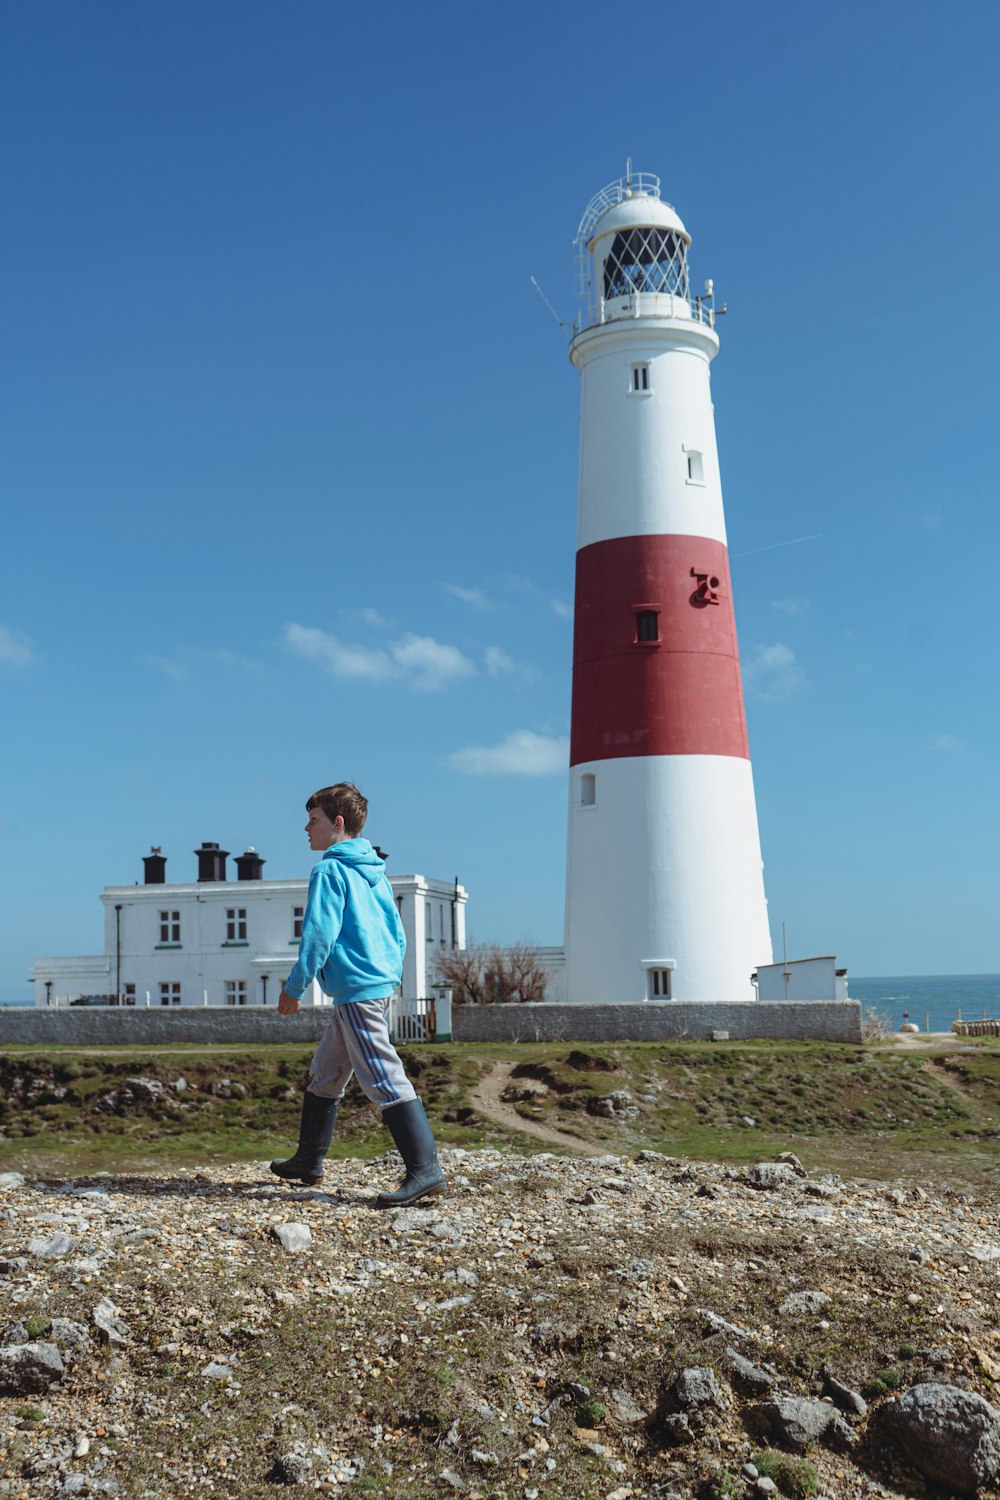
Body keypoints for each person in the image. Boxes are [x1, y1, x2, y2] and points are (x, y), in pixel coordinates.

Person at [269, 782, 445, 1208]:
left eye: (313, 820)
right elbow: (397, 934)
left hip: (357, 990)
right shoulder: (375, 870)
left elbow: (318, 935)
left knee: (383, 1076)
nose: (305, 828)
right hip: (376, 983)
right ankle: (309, 1159)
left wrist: (295, 988)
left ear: (338, 823)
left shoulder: (329, 871)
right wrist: (388, 974)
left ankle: (426, 1171)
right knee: (327, 1071)